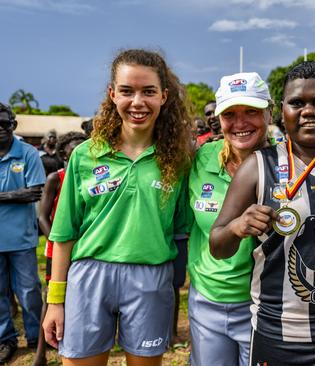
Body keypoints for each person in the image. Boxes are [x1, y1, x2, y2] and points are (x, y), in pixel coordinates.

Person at [210, 61, 315, 365]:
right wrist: (237, 226)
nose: (309, 111)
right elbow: (217, 244)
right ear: (282, 110)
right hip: (279, 333)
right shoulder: (257, 167)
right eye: (297, 103)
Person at [42, 49, 193, 365]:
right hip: (89, 277)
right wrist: (56, 302)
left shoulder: (178, 160)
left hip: (152, 278)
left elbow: (183, 229)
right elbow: (63, 233)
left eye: (148, 91)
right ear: (112, 94)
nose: (138, 102)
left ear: (164, 96)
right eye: (127, 91)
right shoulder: (86, 155)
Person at [187, 71, 273, 366]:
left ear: (270, 113)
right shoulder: (199, 159)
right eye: (230, 114)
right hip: (207, 301)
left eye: (251, 111)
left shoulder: (288, 162)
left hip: (266, 306)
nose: (240, 123)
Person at [33, 131, 87, 366]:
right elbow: (42, 216)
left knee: (79, 295)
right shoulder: (57, 177)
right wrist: (56, 241)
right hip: (59, 247)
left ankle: (74, 343)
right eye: (72, 150)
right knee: (52, 297)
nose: (77, 153)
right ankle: (40, 353)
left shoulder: (93, 176)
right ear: (64, 153)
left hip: (84, 248)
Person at [0, 102, 45, 364]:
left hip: (22, 239)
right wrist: (13, 196)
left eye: (5, 124)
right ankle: (5, 340)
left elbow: (33, 192)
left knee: (28, 290)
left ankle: (35, 336)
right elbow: (22, 193)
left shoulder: (27, 153)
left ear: (14, 125)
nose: (1, 129)